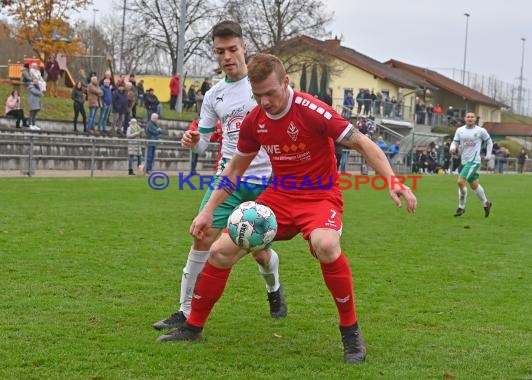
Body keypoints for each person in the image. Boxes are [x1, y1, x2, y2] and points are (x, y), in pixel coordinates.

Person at [158, 53, 417, 364]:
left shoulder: (312, 110)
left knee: (326, 245)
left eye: (271, 93)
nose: (265, 101)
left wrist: (392, 180)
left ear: (285, 82)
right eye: (258, 95)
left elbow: (362, 142)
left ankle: (351, 334)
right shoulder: (256, 121)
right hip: (279, 198)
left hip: (320, 197)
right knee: (219, 251)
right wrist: (208, 211)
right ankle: (193, 326)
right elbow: (234, 170)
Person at [152, 20, 287, 333]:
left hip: (267, 181)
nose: (227, 56)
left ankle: (273, 286)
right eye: (219, 51)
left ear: (244, 48)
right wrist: (192, 142)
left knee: (260, 252)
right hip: (229, 179)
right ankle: (185, 312)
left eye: (232, 49)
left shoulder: (261, 87)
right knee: (200, 234)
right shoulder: (214, 95)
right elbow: (202, 143)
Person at [449, 111, 493, 218]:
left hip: (474, 161)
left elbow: (489, 142)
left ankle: (461, 207)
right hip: (464, 161)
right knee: (474, 185)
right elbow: (455, 141)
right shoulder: (460, 130)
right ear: (465, 119)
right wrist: (452, 147)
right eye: (468, 117)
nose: (470, 118)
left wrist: (488, 155)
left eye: (472, 117)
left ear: (475, 119)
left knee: (460, 181)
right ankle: (486, 203)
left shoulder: (481, 130)